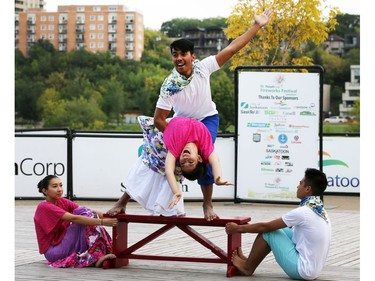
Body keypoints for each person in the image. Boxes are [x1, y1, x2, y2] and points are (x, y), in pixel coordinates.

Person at [153, 8, 273, 221]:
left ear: (193, 57)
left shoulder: (204, 67)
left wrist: (256, 25)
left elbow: (233, 48)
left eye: (183, 54)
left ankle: (207, 204)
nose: (179, 59)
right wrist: (176, 139)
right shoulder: (170, 85)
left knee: (205, 158)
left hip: (207, 119)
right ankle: (132, 198)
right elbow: (159, 120)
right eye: (175, 55)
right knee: (154, 156)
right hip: (182, 125)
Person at [107, 115, 232, 217]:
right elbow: (215, 161)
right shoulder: (205, 144)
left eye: (183, 162)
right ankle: (124, 202)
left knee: (155, 165)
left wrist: (176, 192)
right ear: (199, 158)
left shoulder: (175, 147)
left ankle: (168, 206)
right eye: (191, 162)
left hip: (163, 140)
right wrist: (218, 178)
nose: (185, 159)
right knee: (157, 166)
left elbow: (168, 170)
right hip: (188, 111)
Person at [225, 168, 331, 280]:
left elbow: (266, 227)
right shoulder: (319, 209)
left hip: (302, 270)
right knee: (281, 229)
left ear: (308, 189)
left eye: (300, 183)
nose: (297, 186)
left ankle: (247, 267)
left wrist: (238, 228)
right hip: (313, 269)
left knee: (268, 232)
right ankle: (249, 261)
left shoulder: (303, 212)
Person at [34, 175, 118, 268]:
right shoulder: (44, 206)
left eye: (61, 185)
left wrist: (110, 216)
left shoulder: (62, 201)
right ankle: (97, 256)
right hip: (53, 252)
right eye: (55, 186)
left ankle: (101, 252)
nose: (59, 189)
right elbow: (74, 218)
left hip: (63, 243)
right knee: (83, 217)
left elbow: (86, 210)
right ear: (45, 191)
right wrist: (102, 222)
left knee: (84, 212)